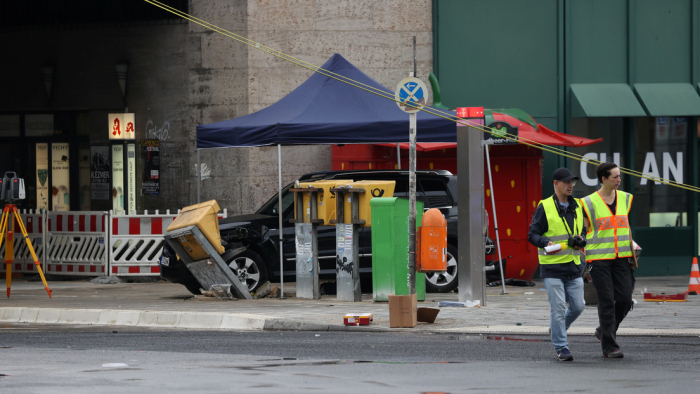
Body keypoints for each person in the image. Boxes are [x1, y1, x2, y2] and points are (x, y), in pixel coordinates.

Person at [528, 168, 586, 361]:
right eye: (566, 182)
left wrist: (581, 238)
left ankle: (556, 329)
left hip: (574, 266)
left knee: (578, 307)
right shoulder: (544, 206)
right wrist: (545, 243)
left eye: (572, 182)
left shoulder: (576, 205)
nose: (570, 185)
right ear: (556, 183)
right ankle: (561, 346)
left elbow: (582, 231)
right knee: (558, 309)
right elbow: (532, 235)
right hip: (552, 268)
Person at [580, 162, 634, 359]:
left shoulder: (626, 199)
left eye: (619, 176)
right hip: (599, 259)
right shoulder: (588, 202)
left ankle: (604, 331)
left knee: (625, 299)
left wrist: (632, 247)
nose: (619, 180)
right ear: (604, 179)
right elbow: (584, 230)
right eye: (615, 177)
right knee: (606, 301)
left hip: (622, 258)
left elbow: (625, 226)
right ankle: (610, 346)